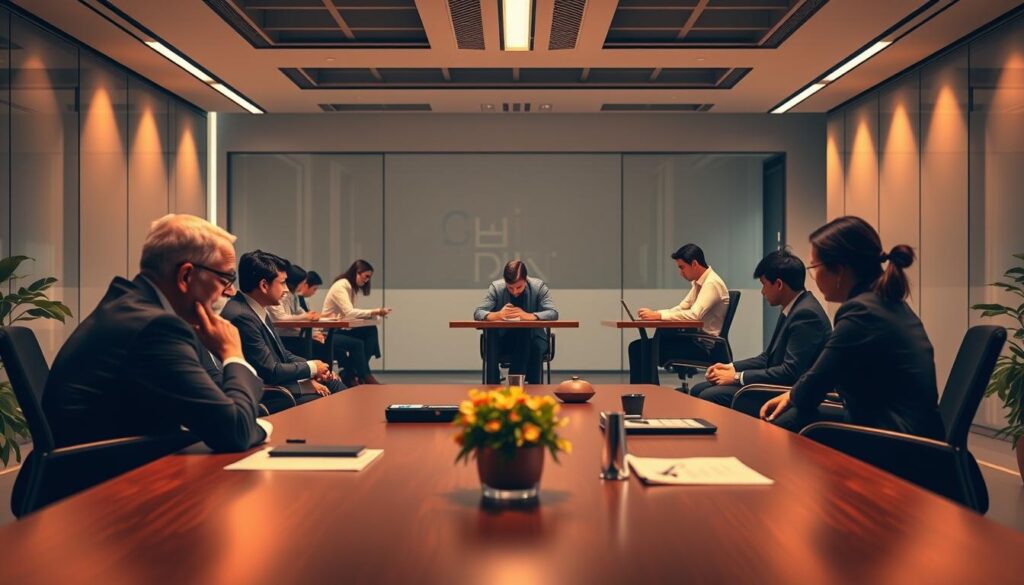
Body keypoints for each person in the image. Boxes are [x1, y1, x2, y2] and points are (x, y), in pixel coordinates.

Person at [42, 214, 269, 452]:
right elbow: (234, 432)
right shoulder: (155, 327)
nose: (230, 291)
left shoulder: (135, 308)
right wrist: (233, 353)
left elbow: (217, 399)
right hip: (104, 480)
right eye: (226, 278)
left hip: (115, 466)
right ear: (186, 276)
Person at [760, 216, 944, 439]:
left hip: (896, 444)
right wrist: (793, 395)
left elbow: (815, 384)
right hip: (912, 436)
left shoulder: (862, 313)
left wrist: (791, 396)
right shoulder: (885, 303)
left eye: (814, 267)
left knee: (785, 422)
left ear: (839, 270)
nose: (814, 276)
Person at [690, 249, 832, 407]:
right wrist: (730, 367)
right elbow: (767, 358)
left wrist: (737, 377)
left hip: (787, 393)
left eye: (764, 284)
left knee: (709, 395)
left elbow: (790, 372)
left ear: (778, 284)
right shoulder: (794, 306)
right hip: (778, 384)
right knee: (698, 389)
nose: (762, 291)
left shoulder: (806, 315)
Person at [222, 251, 345, 404]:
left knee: (333, 383)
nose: (286, 289)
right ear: (264, 285)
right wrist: (312, 368)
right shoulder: (242, 316)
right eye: (282, 283)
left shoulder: (255, 309)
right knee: (331, 393)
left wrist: (317, 370)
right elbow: (270, 372)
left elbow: (283, 354)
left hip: (278, 384)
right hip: (266, 394)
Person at [627, 244, 730, 384]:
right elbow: (682, 308)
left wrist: (659, 317)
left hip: (703, 346)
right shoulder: (699, 283)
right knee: (638, 347)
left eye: (682, 267)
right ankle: (644, 393)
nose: (680, 272)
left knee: (642, 349)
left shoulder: (711, 283)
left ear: (694, 264)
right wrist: (656, 313)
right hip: (693, 339)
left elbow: (694, 315)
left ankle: (648, 395)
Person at [473, 260, 558, 384]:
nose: (515, 291)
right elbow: (478, 313)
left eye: (519, 287)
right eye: (510, 288)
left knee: (529, 337)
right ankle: (492, 386)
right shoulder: (496, 287)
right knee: (491, 332)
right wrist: (497, 315)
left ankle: (522, 388)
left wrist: (529, 316)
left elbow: (553, 313)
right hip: (505, 339)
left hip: (534, 337)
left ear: (526, 280)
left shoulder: (538, 287)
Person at [322, 259, 389, 385]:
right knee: (358, 343)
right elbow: (350, 312)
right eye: (366, 276)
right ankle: (362, 375)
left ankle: (352, 373)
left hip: (338, 328)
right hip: (328, 333)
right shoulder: (341, 286)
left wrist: (371, 316)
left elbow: (348, 315)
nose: (367, 280)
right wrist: (375, 311)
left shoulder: (351, 288)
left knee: (370, 331)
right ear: (358, 272)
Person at [269, 263, 324, 356]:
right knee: (321, 349)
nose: (303, 286)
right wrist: (307, 316)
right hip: (283, 337)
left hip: (293, 335)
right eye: (302, 283)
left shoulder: (293, 295)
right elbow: (280, 318)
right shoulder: (279, 294)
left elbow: (299, 311)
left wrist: (310, 316)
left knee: (320, 346)